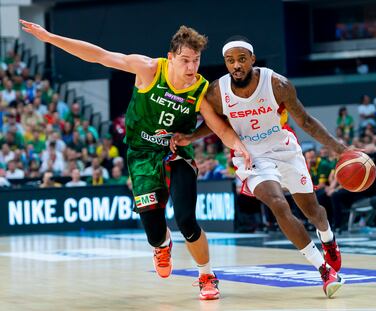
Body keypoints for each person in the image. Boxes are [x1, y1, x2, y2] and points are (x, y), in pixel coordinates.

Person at [20, 20, 251, 300]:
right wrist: (49, 37)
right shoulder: (149, 69)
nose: (191, 67)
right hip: (141, 154)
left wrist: (239, 146)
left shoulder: (200, 89)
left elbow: (220, 127)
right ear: (171, 58)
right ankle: (161, 245)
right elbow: (99, 55)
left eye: (196, 60)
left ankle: (206, 276)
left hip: (176, 152)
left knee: (187, 220)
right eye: (185, 60)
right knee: (154, 232)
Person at [172, 36, 347, 298]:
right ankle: (323, 270)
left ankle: (328, 237)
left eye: (242, 59)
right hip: (250, 155)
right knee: (278, 204)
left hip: (284, 148)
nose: (237, 65)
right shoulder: (217, 92)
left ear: (252, 60)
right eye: (230, 61)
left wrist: (342, 150)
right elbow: (215, 123)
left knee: (313, 210)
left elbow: (307, 122)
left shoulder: (277, 84)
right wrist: (190, 137)